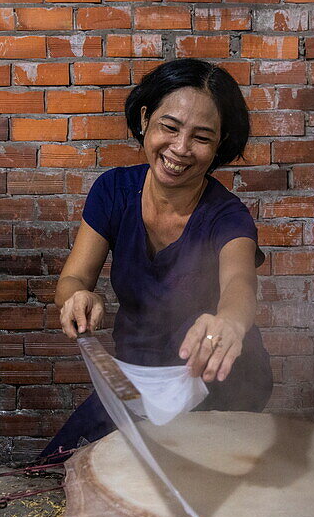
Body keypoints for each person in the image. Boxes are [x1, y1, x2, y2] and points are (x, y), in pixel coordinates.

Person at [38, 59, 273, 460]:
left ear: (221, 143)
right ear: (145, 119)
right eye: (170, 127)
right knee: (57, 467)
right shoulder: (113, 191)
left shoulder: (227, 215)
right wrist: (78, 298)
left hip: (212, 379)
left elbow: (239, 287)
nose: (180, 149)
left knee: (186, 486)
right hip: (136, 377)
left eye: (201, 137)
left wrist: (229, 323)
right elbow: (72, 280)